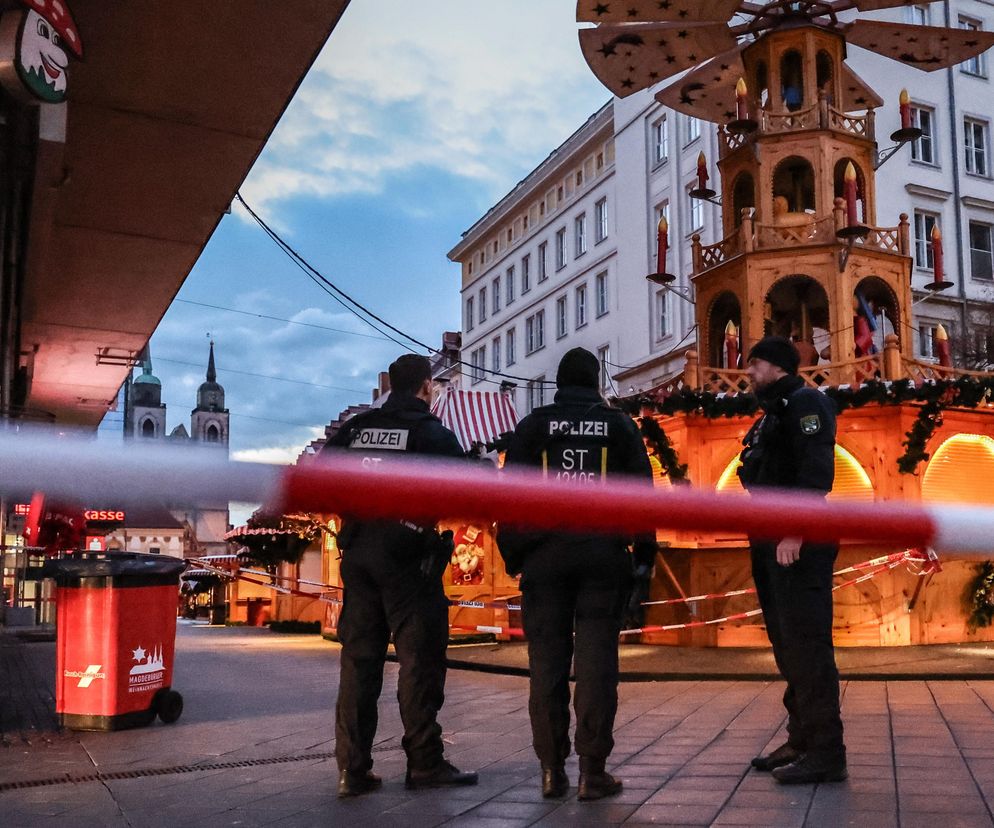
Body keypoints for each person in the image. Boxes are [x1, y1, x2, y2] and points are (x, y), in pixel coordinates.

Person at [497, 348, 655, 801]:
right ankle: (592, 770)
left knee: (545, 666)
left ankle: (551, 770)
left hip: (545, 558)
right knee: (597, 667)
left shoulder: (533, 427)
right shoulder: (619, 425)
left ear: (559, 382)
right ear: (595, 379)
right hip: (602, 556)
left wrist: (516, 555)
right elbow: (642, 494)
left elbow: (509, 497)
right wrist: (642, 557)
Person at [323, 354, 478, 798]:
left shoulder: (355, 430)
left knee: (359, 662)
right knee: (419, 661)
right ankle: (425, 763)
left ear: (391, 384)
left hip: (359, 552)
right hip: (409, 558)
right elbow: (467, 487)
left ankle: (352, 769)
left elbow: (320, 474)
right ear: (427, 387)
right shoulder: (432, 433)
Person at [737, 336, 847, 784]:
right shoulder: (773, 412)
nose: (750, 372)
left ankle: (826, 751)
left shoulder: (807, 403)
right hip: (770, 539)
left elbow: (815, 469)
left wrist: (795, 529)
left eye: (756, 364)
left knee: (807, 647)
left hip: (797, 542)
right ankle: (801, 738)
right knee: (788, 648)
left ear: (778, 366)